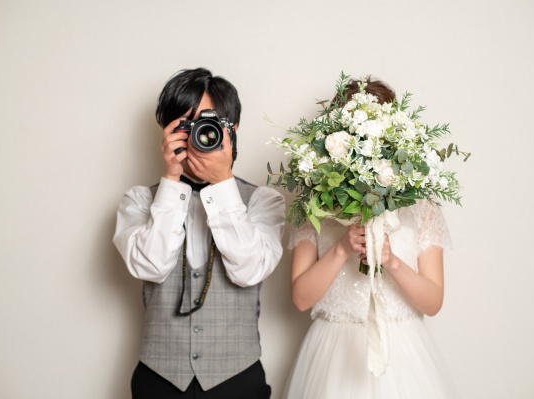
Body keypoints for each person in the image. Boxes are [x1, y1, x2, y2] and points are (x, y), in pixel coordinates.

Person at [282, 78, 459, 398]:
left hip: (403, 354)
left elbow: (433, 302)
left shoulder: (422, 207)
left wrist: (391, 262)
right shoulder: (315, 204)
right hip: (333, 354)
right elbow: (300, 298)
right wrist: (340, 248)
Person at [113, 68, 285, 399]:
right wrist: (170, 180)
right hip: (158, 379)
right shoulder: (137, 200)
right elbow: (150, 267)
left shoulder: (264, 201)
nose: (198, 135)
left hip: (237, 380)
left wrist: (222, 184)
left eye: (208, 123)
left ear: (230, 130)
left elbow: (250, 270)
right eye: (184, 125)